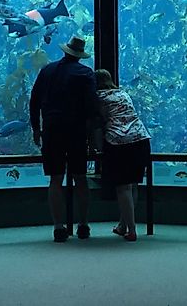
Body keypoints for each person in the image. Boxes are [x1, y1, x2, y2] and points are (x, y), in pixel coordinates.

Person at [30, 36, 98, 242]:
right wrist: (92, 137)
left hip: (51, 130)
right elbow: (91, 107)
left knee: (55, 179)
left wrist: (36, 128)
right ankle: (83, 225)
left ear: (65, 51)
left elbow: (34, 101)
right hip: (76, 132)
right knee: (80, 177)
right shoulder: (85, 73)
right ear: (79, 55)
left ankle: (58, 227)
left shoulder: (47, 71)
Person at [94, 69, 151, 242]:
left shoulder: (98, 98)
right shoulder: (123, 93)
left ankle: (132, 230)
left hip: (119, 142)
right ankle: (123, 225)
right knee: (133, 185)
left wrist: (98, 148)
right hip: (141, 139)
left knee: (123, 187)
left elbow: (97, 125)